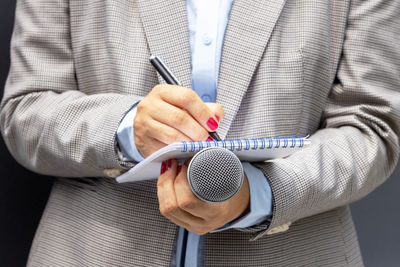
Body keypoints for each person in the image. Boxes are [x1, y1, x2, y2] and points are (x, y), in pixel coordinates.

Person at [1, 0, 399, 266]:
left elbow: (370, 127)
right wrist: (126, 126)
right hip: (92, 251)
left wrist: (256, 193)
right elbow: (26, 111)